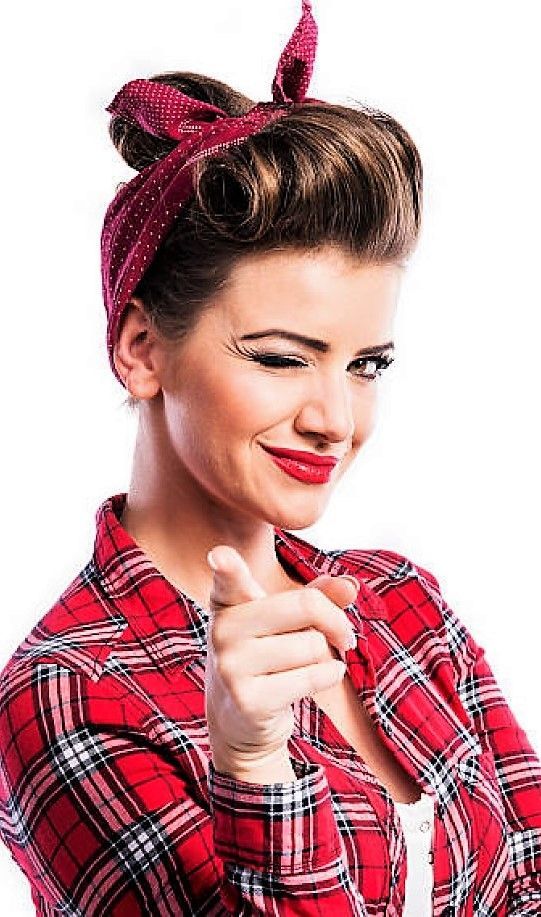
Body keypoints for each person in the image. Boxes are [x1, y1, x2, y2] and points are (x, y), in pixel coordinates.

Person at [0, 1, 540, 914]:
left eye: (365, 364)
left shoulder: (402, 600)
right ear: (140, 349)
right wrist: (252, 765)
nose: (336, 418)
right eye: (282, 357)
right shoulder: (69, 693)